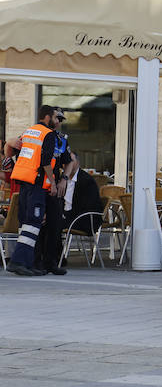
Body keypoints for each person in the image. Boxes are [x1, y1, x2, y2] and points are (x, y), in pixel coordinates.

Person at [6, 105, 59, 276]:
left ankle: (26, 263)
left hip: (24, 183)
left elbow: (9, 153)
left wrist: (7, 142)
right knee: (33, 224)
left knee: (25, 224)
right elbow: (45, 163)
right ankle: (18, 262)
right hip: (36, 184)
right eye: (54, 117)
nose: (56, 120)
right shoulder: (48, 134)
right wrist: (54, 183)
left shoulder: (29, 132)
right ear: (47, 117)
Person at [35, 108, 71, 275]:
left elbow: (70, 161)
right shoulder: (39, 134)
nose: (59, 122)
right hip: (39, 186)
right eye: (58, 118)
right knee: (38, 225)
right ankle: (37, 262)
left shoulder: (61, 140)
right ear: (49, 117)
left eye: (61, 119)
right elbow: (13, 144)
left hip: (53, 188)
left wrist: (65, 179)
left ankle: (51, 262)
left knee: (55, 225)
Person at [63, 154, 103, 234]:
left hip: (83, 220)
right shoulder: (63, 180)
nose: (67, 164)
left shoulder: (87, 180)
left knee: (53, 224)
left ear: (78, 163)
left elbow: (89, 206)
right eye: (66, 161)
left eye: (71, 161)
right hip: (68, 217)